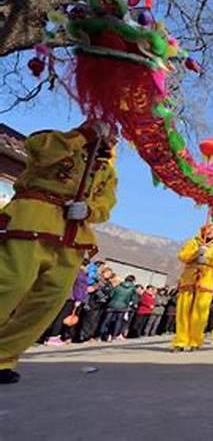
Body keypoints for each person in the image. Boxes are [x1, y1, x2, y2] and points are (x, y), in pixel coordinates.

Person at [0, 121, 117, 384]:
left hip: (73, 234)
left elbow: (106, 202)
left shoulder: (106, 171)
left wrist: (89, 210)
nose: (111, 137)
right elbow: (39, 151)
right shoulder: (56, 139)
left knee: (47, 302)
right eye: (107, 130)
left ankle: (3, 356)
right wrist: (81, 135)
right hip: (33, 221)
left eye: (114, 134)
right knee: (10, 285)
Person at [172, 223, 213, 351]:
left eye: (212, 230)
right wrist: (196, 252)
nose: (209, 232)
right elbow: (182, 256)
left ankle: (195, 340)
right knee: (183, 311)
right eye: (207, 229)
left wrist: (208, 257)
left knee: (200, 313)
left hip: (206, 280)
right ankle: (181, 341)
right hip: (189, 279)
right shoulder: (193, 242)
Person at [78, 267, 114, 342]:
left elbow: (110, 292)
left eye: (109, 274)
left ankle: (90, 335)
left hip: (100, 305)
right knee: (88, 320)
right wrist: (96, 290)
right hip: (92, 302)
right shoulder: (96, 280)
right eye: (106, 273)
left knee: (95, 321)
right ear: (103, 272)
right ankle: (83, 335)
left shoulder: (108, 283)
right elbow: (90, 289)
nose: (107, 275)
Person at [99, 274, 137, 341]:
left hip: (112, 305)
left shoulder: (118, 286)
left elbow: (111, 295)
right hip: (123, 306)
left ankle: (100, 335)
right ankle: (114, 336)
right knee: (118, 321)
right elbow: (133, 299)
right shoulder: (133, 289)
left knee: (106, 320)